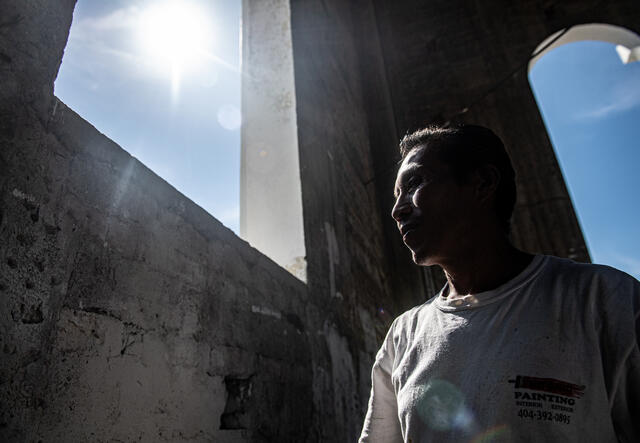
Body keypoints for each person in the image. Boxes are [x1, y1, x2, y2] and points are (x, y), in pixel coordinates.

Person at [359, 125, 640, 442]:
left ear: (483, 184)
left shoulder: (605, 301)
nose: (398, 210)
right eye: (396, 196)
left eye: (414, 183)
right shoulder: (402, 337)